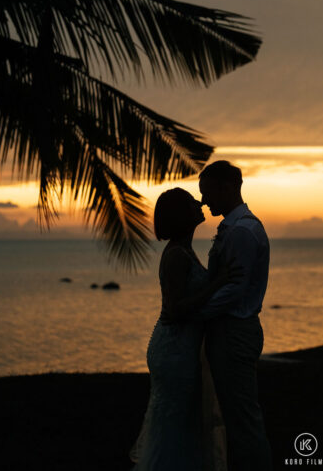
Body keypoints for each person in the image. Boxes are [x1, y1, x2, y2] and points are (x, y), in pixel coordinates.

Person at [130, 188, 240, 471]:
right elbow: (175, 310)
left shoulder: (185, 250)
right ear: (182, 215)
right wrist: (217, 283)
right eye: (191, 202)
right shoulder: (177, 255)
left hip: (182, 347)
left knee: (184, 421)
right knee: (173, 423)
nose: (199, 202)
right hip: (174, 349)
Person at [191, 160, 275, 471]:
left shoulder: (241, 231)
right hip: (231, 330)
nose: (203, 200)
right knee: (235, 415)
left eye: (207, 192)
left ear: (226, 188)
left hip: (234, 331)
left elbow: (233, 292)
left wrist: (195, 313)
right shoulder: (237, 227)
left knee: (242, 419)